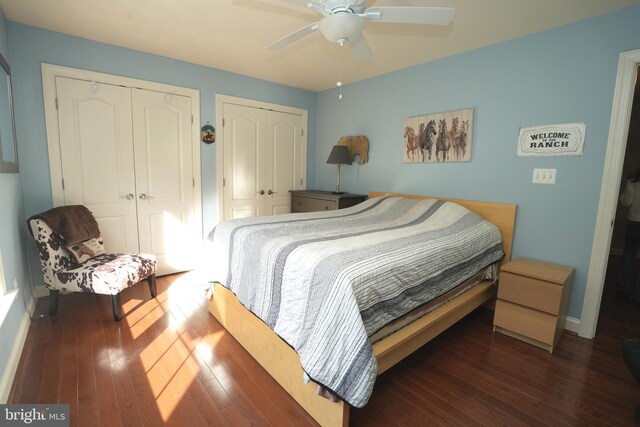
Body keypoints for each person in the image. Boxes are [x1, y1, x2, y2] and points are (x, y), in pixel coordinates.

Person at [619, 167, 640, 300]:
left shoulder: (634, 177)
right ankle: (638, 295)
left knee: (629, 254)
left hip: (635, 221)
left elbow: (626, 201)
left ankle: (624, 289)